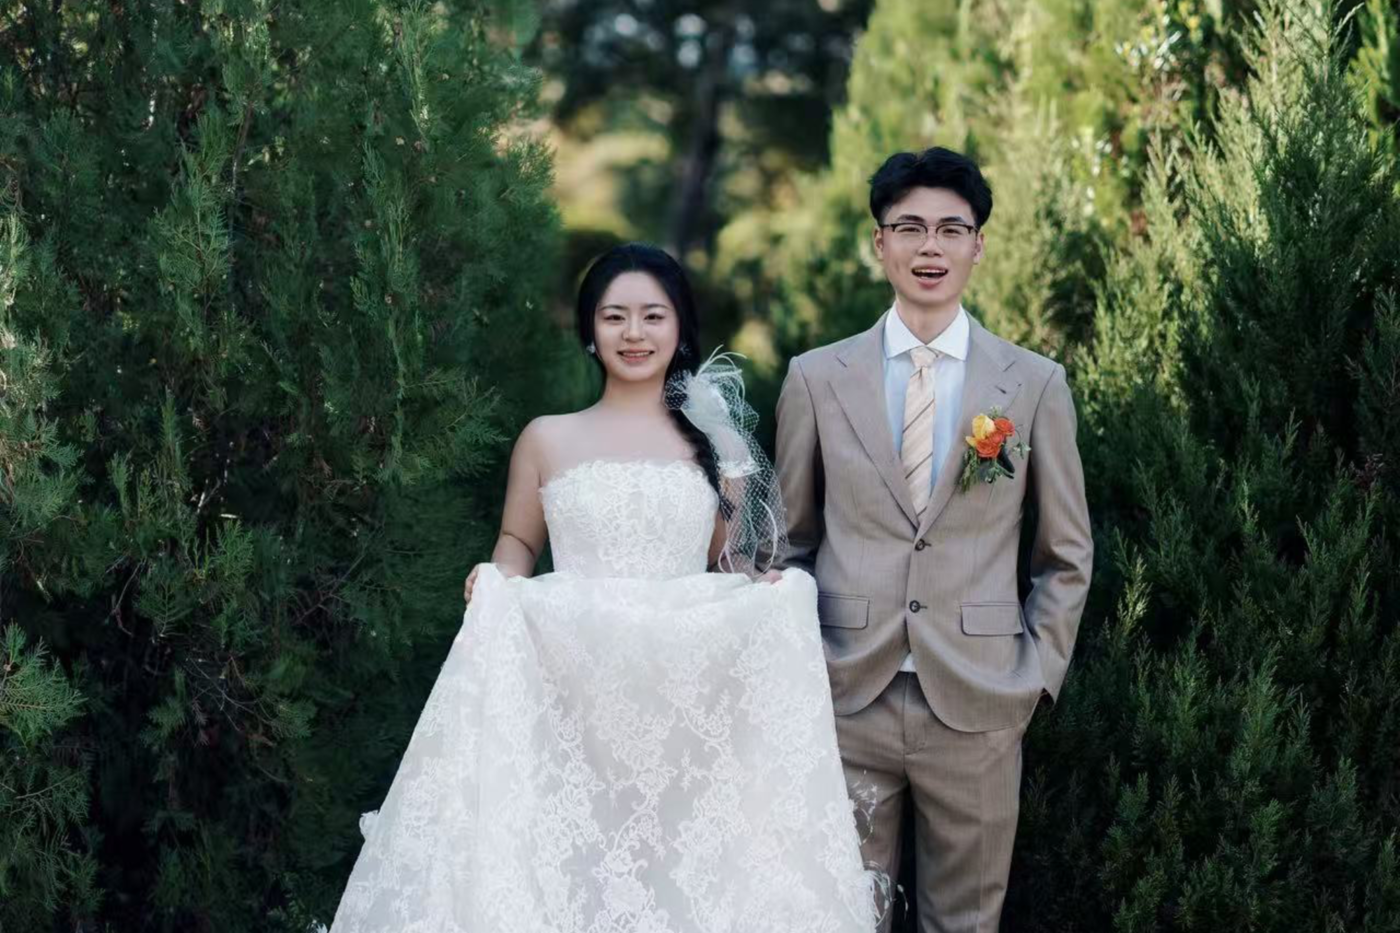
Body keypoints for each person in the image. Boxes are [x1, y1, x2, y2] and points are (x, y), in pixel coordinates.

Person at [323, 243, 877, 933]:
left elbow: (727, 563)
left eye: (653, 316)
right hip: (570, 692)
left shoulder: (718, 446)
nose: (634, 333)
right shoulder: (547, 439)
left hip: (677, 703)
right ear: (590, 329)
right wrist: (499, 580)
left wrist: (766, 591)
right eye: (615, 316)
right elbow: (519, 540)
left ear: (679, 328)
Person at [773, 147, 1094, 933]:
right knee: (838, 916)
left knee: (966, 922)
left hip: (980, 702)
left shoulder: (1034, 384)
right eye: (909, 226)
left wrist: (1034, 677)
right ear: (878, 242)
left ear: (979, 245)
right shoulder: (816, 378)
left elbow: (1065, 554)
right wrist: (801, 668)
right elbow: (788, 543)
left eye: (952, 228)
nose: (931, 246)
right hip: (846, 696)